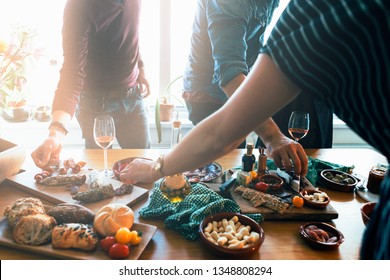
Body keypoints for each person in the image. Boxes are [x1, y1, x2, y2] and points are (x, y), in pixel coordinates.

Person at [120, 0, 390, 259]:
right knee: (221, 171)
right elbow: (224, 110)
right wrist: (160, 168)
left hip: (237, 94)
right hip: (209, 94)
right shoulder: (318, 12)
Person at [182, 0, 333, 153]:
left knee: (234, 163)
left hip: (235, 90)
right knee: (221, 162)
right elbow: (229, 72)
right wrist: (273, 137)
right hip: (210, 95)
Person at [31, 0, 151, 168]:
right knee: (101, 175)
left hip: (134, 97)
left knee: (145, 169)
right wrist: (55, 133)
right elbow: (72, 75)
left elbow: (129, 31)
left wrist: (140, 67)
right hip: (97, 105)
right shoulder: (79, 6)